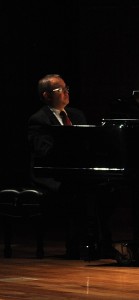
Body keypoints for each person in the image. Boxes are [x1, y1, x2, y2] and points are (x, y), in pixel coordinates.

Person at [28, 74, 115, 260]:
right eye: (60, 89)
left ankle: (103, 242)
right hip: (51, 175)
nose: (66, 92)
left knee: (107, 188)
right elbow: (44, 152)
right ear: (46, 96)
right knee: (80, 190)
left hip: (75, 172)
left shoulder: (77, 115)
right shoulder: (38, 120)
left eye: (67, 88)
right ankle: (80, 244)